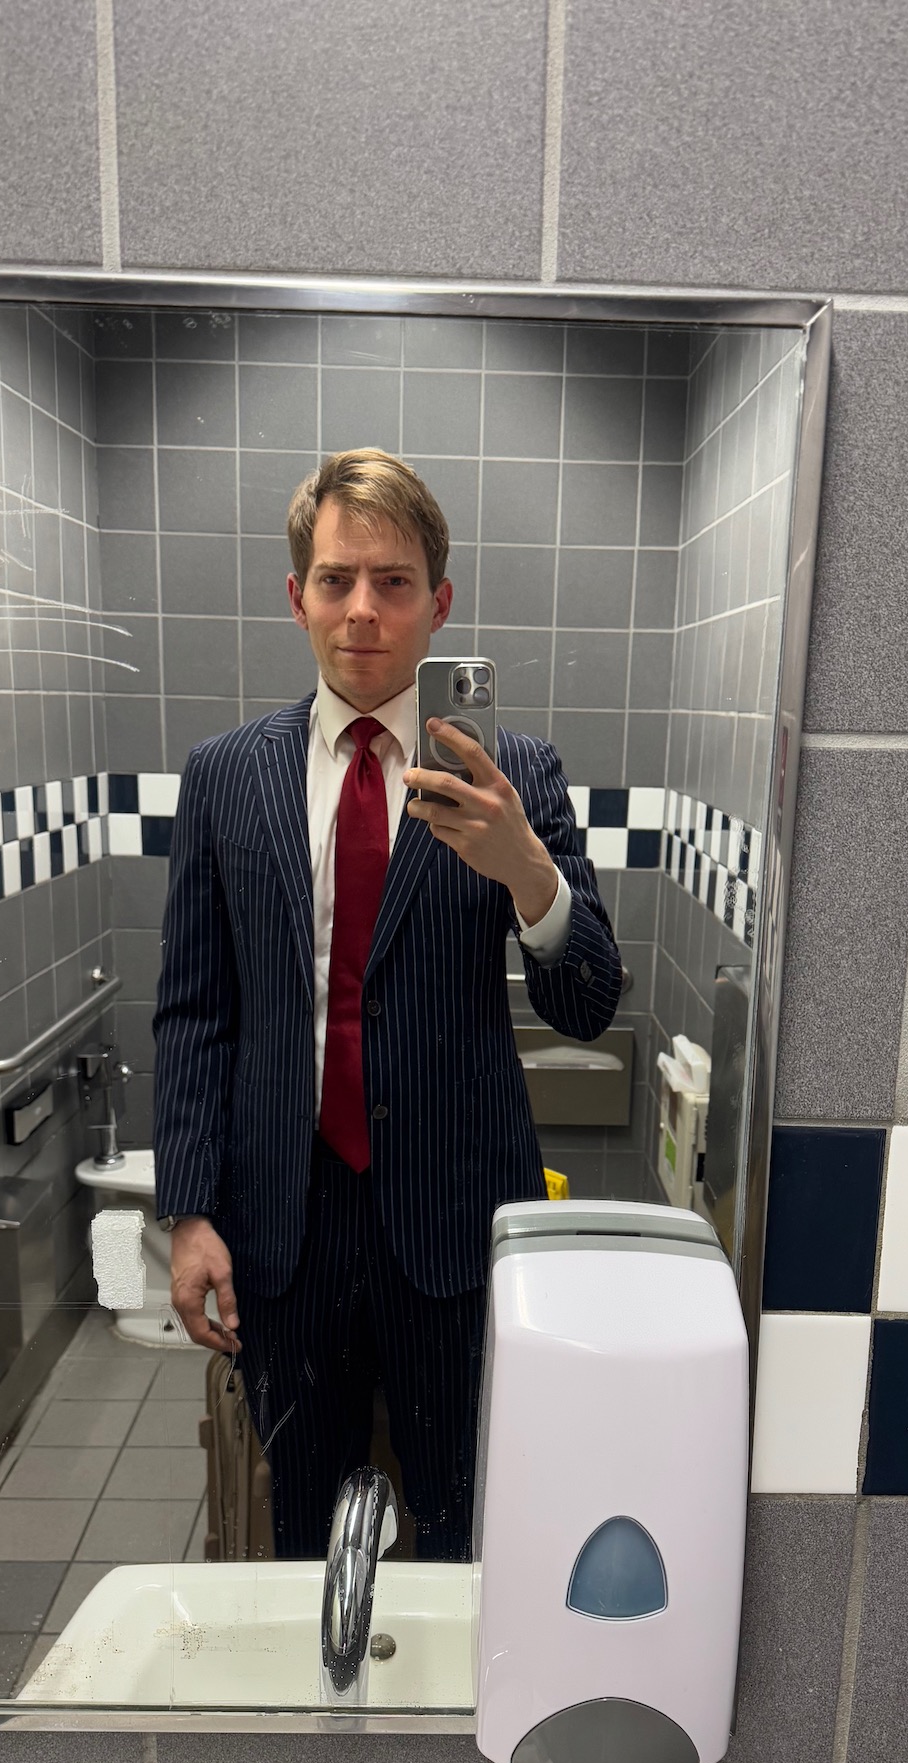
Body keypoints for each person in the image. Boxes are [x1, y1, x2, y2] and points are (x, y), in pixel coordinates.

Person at [152, 449, 621, 1559]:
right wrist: (188, 1211)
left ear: (439, 602)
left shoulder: (516, 772)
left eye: (395, 581)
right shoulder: (226, 776)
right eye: (336, 578)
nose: (364, 609)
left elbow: (591, 999)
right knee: (298, 1523)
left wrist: (526, 871)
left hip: (455, 1223)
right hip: (283, 1222)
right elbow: (193, 1013)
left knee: (469, 1520)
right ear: (297, 596)